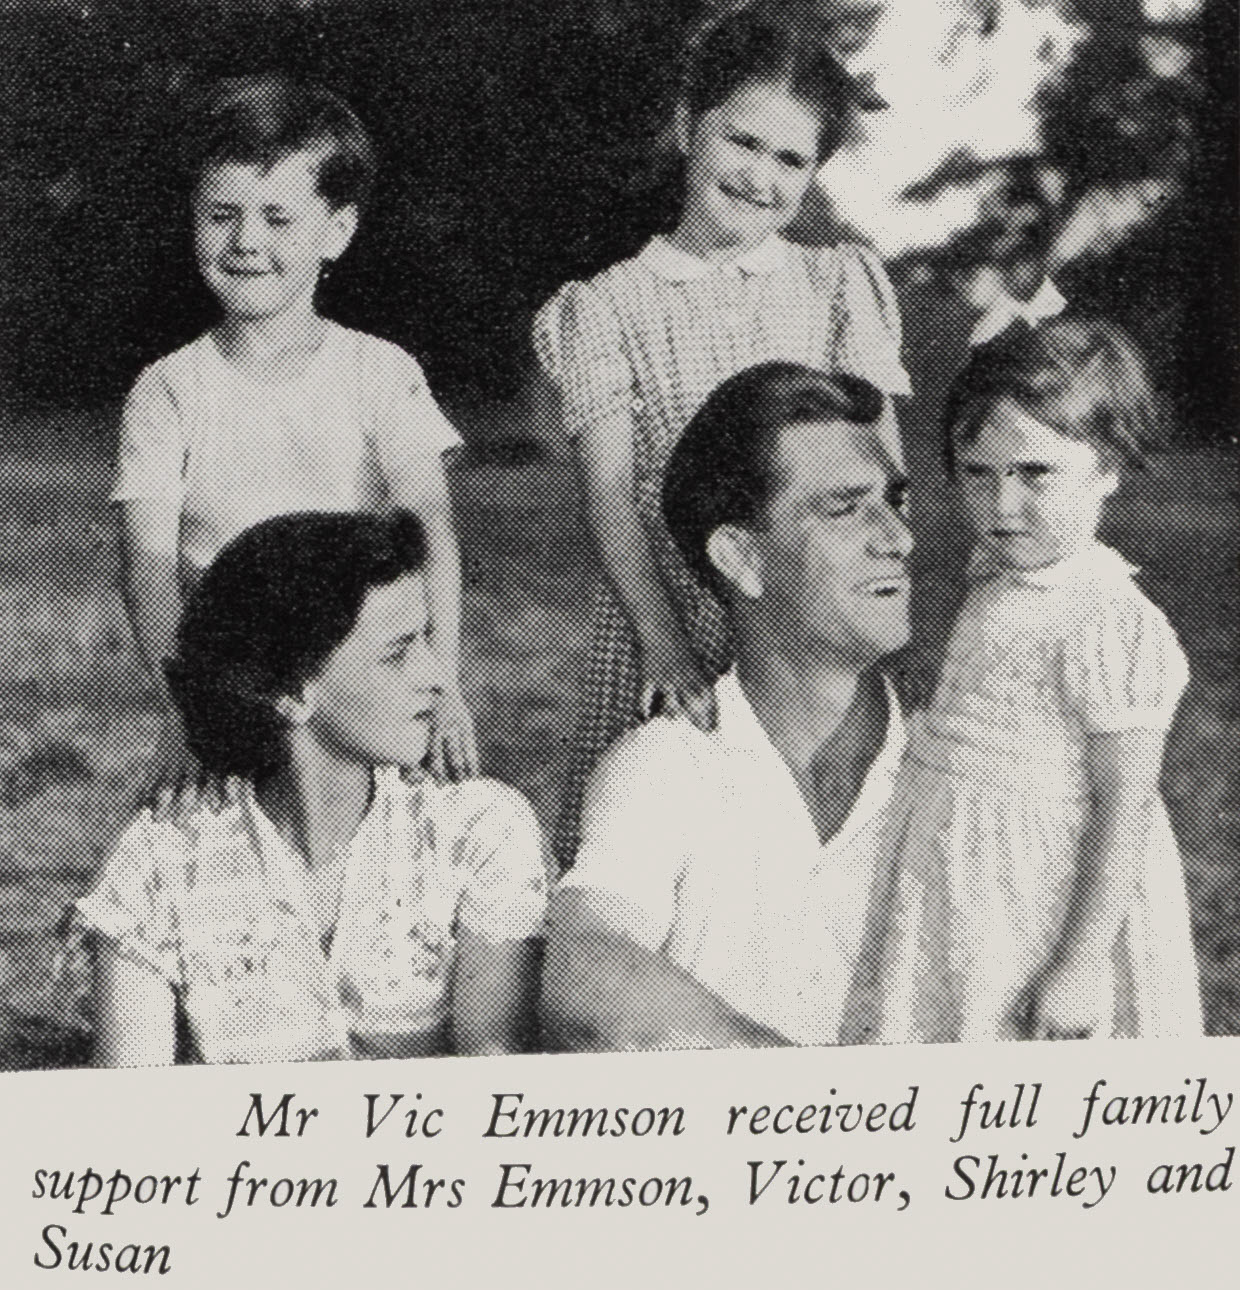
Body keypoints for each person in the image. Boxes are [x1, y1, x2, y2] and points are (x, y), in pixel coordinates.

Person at [534, 3, 911, 864]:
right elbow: (611, 500)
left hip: (808, 619)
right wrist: (667, 649)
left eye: (792, 159)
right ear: (685, 127)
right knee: (655, 850)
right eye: (742, 142)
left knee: (822, 846)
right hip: (667, 621)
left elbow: (882, 479)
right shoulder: (608, 307)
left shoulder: (836, 284)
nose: (761, 176)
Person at [114, 74, 475, 796]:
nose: (246, 241)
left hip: (361, 684)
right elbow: (147, 571)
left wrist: (442, 681)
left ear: (336, 231)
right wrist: (190, 711)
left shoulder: (380, 373)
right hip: (233, 689)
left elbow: (429, 529)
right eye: (222, 214)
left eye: (277, 218)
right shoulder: (167, 391)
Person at [78, 511, 546, 1065]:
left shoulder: (478, 833)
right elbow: (133, 1122)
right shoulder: (158, 865)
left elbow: (497, 1081)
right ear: (291, 694)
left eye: (426, 639)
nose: (438, 676)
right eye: (398, 654)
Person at [540, 362, 912, 1050]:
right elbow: (582, 973)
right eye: (844, 508)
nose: (897, 537)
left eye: (895, 502)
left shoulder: (961, 765)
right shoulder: (665, 766)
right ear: (742, 558)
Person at [869, 318, 1203, 1044]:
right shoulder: (999, 575)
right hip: (963, 865)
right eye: (977, 474)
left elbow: (1126, 803)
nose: (1002, 506)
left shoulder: (1107, 617)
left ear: (1109, 468)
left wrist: (1080, 962)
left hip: (1045, 889)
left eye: (1034, 474)